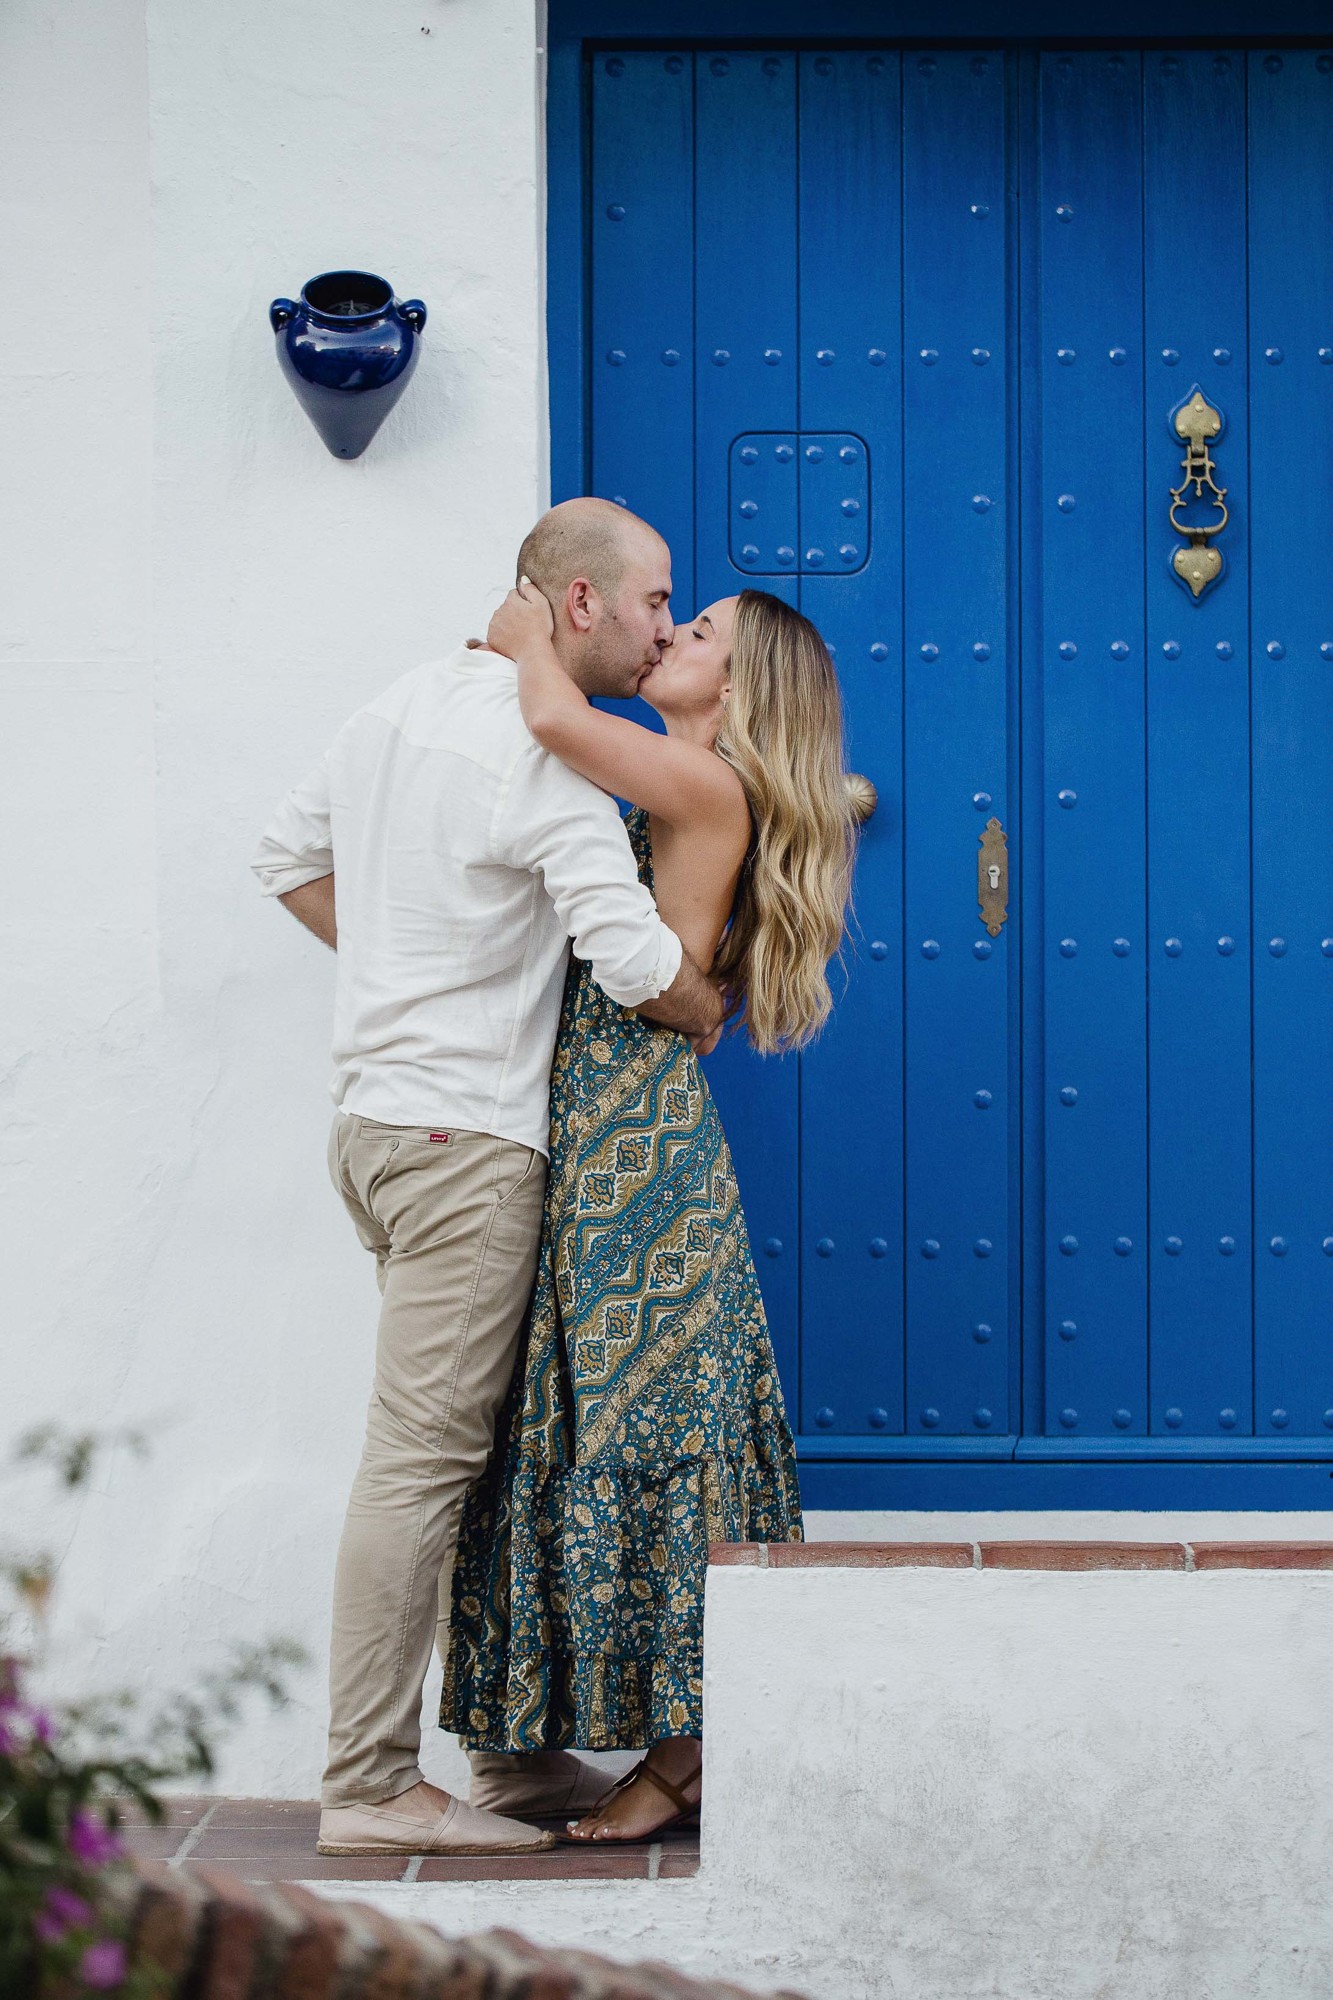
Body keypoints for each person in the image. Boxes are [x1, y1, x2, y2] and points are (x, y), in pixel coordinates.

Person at [251, 499, 725, 1859]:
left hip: (375, 1131)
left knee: (477, 1450)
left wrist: (404, 971)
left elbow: (283, 860)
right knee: (420, 1461)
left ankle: (509, 1762)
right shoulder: (541, 759)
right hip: (464, 1148)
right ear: (578, 603)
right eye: (653, 600)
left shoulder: (393, 708)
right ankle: (367, 1780)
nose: (660, 628)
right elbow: (633, 963)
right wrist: (705, 1005)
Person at [445, 576, 869, 1842]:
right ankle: (621, 1738)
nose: (674, 632)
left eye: (701, 630)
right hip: (607, 1130)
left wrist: (527, 637)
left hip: (635, 1143)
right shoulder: (687, 780)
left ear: (736, 687)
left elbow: (554, 722)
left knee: (654, 1421)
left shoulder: (705, 782)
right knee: (610, 1412)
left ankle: (682, 1756)